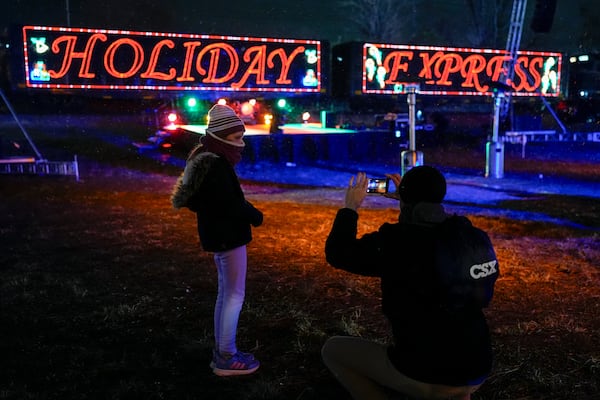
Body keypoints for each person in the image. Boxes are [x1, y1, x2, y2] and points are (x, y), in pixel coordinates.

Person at [322, 166, 495, 400]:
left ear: (405, 197)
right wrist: (408, 204)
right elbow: (424, 235)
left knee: (333, 350)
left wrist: (350, 208)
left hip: (428, 371)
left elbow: (339, 253)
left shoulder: (396, 242)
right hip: (478, 366)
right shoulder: (467, 236)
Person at [171, 104, 263, 377]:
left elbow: (214, 201)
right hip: (227, 236)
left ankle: (225, 350)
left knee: (227, 294)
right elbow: (230, 203)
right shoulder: (216, 165)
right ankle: (227, 356)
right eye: (236, 138)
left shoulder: (205, 158)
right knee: (234, 295)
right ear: (221, 136)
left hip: (220, 234)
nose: (241, 145)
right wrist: (255, 215)